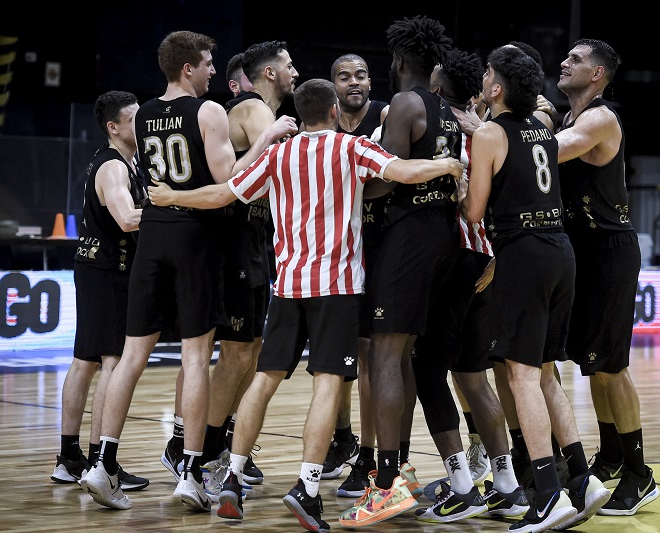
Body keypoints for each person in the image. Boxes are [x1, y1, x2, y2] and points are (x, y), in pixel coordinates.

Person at [147, 78, 464, 530]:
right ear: (334, 111)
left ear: (299, 113)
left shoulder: (277, 154)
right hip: (337, 288)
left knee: (263, 381)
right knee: (328, 385)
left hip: (288, 286)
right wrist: (446, 164)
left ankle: (232, 476)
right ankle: (307, 488)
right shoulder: (351, 147)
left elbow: (224, 194)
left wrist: (171, 197)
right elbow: (403, 172)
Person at [80, 30, 284, 513]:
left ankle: (102, 463)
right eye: (208, 63)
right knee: (195, 358)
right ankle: (191, 472)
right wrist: (268, 138)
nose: (214, 70)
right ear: (188, 68)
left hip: (152, 235)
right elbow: (230, 179)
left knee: (132, 356)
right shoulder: (209, 111)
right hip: (195, 237)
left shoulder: (144, 114)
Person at [460, 44, 611, 533]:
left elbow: (474, 213)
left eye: (488, 73)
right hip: (560, 251)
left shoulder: (489, 134)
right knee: (545, 373)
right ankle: (581, 479)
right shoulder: (544, 129)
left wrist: (456, 181)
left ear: (497, 87)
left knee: (522, 376)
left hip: (523, 253)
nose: (483, 79)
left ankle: (547, 495)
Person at [337, 15, 471, 528]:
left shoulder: (405, 104)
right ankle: (402, 473)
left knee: (386, 353)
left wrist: (345, 184)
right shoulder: (447, 109)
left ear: (397, 62)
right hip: (443, 234)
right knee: (406, 354)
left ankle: (387, 483)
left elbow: (387, 177)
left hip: (410, 235)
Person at [422, 46, 531, 521]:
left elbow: (469, 208)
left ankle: (462, 486)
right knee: (472, 376)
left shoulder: (443, 126)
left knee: (427, 372)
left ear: (437, 87)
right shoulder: (494, 128)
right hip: (490, 258)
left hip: (458, 260)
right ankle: (506, 483)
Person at [555, 38, 660, 517]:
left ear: (597, 74)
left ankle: (640, 473)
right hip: (583, 251)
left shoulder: (600, 118)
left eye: (576, 59)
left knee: (612, 365)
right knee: (592, 363)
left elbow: (550, 151)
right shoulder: (567, 116)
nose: (564, 62)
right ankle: (612, 454)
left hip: (610, 251)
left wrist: (497, 129)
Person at [50, 90, 148, 493]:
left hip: (94, 266)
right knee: (113, 361)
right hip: (109, 270)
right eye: (134, 119)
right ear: (114, 127)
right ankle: (99, 461)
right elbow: (126, 219)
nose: (143, 124)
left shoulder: (120, 161)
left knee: (84, 360)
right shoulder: (112, 166)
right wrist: (173, 208)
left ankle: (68, 458)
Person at [324, 53, 390, 497]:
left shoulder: (385, 116)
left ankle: (368, 456)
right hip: (334, 253)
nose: (354, 82)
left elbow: (393, 176)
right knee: (335, 356)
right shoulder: (322, 126)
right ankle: (343, 436)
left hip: (379, 247)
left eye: (361, 75)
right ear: (333, 85)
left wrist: (350, 187)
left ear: (370, 82)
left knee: (368, 356)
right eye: (345, 76)